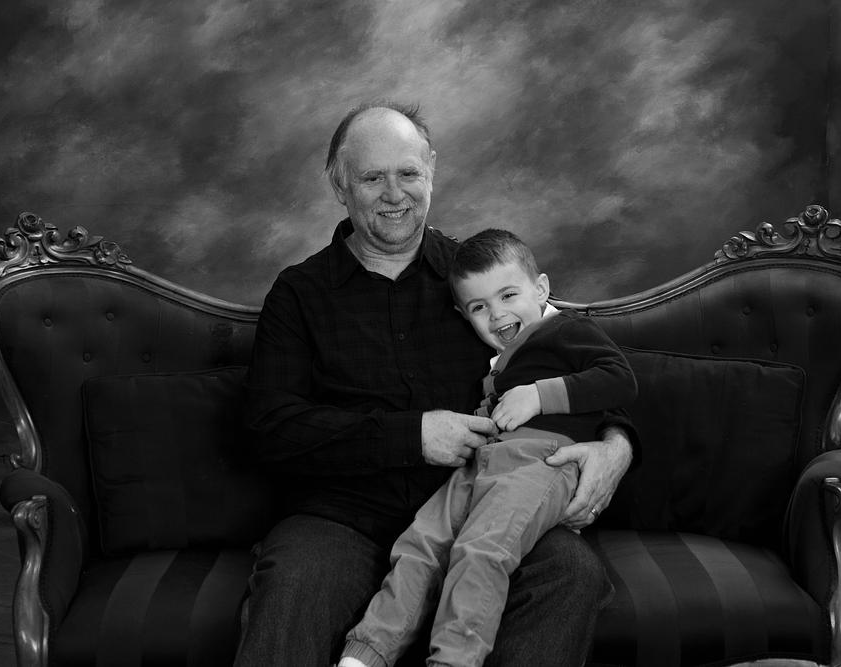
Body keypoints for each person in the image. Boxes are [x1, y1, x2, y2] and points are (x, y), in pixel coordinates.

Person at [235, 101, 635, 666]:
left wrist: (615, 448)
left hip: (481, 506)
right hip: (340, 521)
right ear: (339, 185)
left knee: (570, 573)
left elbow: (579, 358)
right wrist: (412, 436)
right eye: (372, 178)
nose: (394, 193)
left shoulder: (480, 281)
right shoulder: (299, 295)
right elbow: (269, 429)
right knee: (292, 588)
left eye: (408, 173)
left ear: (432, 172)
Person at [337, 228, 638, 667]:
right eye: (479, 307)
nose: (497, 314)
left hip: (542, 460)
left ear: (541, 289)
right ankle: (365, 654)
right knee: (420, 543)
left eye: (509, 295)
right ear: (463, 315)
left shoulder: (567, 330)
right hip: (483, 463)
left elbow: (620, 378)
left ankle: (453, 659)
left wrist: (538, 396)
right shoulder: (499, 359)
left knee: (481, 549)